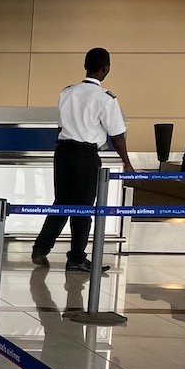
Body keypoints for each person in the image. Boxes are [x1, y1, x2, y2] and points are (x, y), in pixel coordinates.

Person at [31, 47, 129, 274]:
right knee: (83, 208)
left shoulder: (67, 92)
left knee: (62, 202)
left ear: (85, 66)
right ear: (106, 68)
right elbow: (117, 135)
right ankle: (76, 257)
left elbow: (61, 125)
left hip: (63, 151)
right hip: (85, 155)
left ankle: (41, 248)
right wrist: (127, 162)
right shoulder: (106, 98)